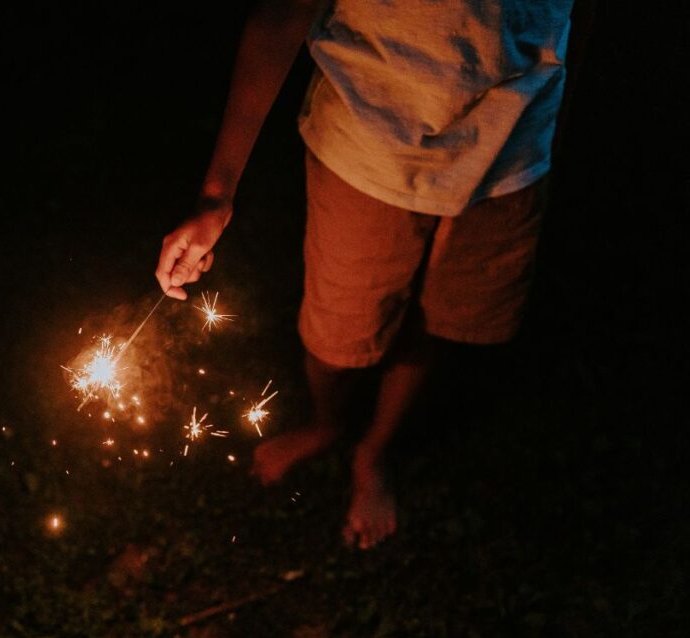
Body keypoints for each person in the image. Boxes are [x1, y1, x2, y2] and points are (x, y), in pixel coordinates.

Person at [155, 0, 593, 549]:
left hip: (510, 152)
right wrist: (217, 194)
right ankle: (327, 422)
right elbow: (280, 15)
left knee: (434, 320)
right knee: (339, 339)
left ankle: (374, 449)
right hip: (367, 148)